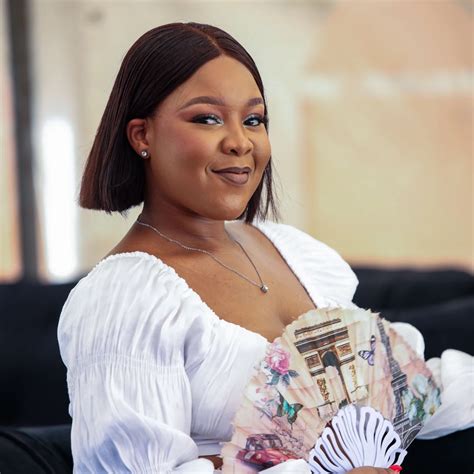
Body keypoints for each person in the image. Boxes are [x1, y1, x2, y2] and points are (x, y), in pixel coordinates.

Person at [57, 22, 459, 473]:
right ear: (141, 136)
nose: (240, 142)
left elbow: (393, 392)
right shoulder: (125, 299)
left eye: (254, 120)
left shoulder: (290, 250)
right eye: (207, 118)